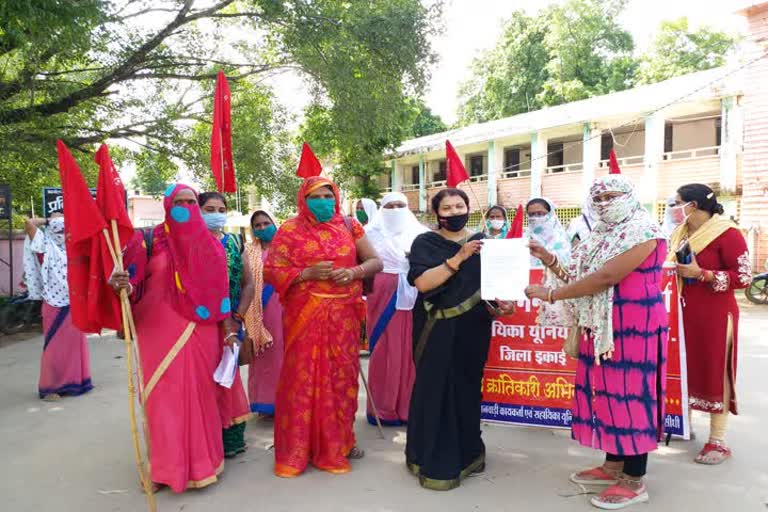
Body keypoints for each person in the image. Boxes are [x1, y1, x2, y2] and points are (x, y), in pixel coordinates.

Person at [525, 175, 668, 510]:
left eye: (612, 196)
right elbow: (580, 274)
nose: (604, 204)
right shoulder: (599, 234)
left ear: (630, 196)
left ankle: (634, 478)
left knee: (631, 394)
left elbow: (606, 278)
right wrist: (548, 258)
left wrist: (551, 294)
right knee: (606, 394)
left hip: (634, 325)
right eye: (598, 198)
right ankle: (612, 465)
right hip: (599, 324)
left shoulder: (643, 230)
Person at [111, 184, 230, 492]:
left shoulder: (212, 245)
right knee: (161, 398)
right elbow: (131, 284)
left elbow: (221, 293)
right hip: (156, 330)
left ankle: (204, 463)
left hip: (201, 331)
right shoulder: (146, 240)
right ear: (167, 204)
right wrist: (119, 283)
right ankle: (165, 469)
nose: (186, 207)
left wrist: (229, 331)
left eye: (192, 202)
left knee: (200, 395)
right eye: (179, 202)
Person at [264, 176, 383, 477]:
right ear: (304, 199)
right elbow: (272, 271)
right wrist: (306, 273)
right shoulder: (289, 230)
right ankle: (297, 450)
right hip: (305, 316)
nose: (324, 200)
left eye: (329, 194)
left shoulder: (349, 225)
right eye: (316, 196)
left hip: (343, 317)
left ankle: (339, 444)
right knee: (302, 380)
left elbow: (375, 262)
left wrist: (353, 271)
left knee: (341, 380)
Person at [406, 188, 514, 491]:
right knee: (435, 388)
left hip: (473, 328)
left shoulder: (486, 243)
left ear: (468, 208)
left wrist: (504, 304)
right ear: (437, 213)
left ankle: (468, 455)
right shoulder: (425, 243)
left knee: (467, 387)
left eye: (459, 206)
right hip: (435, 326)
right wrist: (460, 256)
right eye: (448, 207)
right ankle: (429, 457)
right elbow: (423, 282)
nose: (455, 212)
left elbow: (491, 287)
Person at [667, 184, 751, 465]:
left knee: (717, 371)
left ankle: (717, 441)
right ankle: (683, 425)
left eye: (676, 203)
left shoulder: (727, 233)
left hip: (716, 316)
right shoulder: (680, 233)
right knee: (684, 368)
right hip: (683, 313)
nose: (673, 208)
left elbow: (743, 277)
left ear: (693, 205)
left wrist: (702, 274)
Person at [199, 191, 255, 458]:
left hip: (232, 322)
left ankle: (231, 439)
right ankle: (205, 440)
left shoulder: (234, 241)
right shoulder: (190, 243)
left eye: (221, 209)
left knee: (228, 379)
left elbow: (249, 284)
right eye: (209, 209)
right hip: (199, 325)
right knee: (203, 382)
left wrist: (238, 317)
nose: (216, 214)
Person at [363, 192, 427, 426]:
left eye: (400, 205)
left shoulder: (421, 234)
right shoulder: (368, 234)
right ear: (381, 209)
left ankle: (408, 408)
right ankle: (382, 409)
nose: (395, 209)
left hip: (416, 293)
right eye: (390, 206)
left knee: (411, 350)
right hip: (381, 296)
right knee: (384, 350)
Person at [25, 214, 93, 401]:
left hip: (75, 303)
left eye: (65, 228)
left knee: (75, 345)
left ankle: (76, 382)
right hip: (53, 305)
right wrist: (48, 220)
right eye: (57, 228)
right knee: (54, 347)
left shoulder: (76, 249)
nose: (62, 232)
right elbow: (29, 224)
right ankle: (50, 387)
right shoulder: (44, 247)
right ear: (50, 229)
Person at [244, 210, 284, 417]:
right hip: (257, 311)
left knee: (282, 354)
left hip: (283, 308)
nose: (262, 228)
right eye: (257, 225)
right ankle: (263, 402)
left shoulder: (287, 249)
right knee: (262, 355)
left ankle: (284, 403)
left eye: (265, 223)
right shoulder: (249, 251)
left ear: (274, 224)